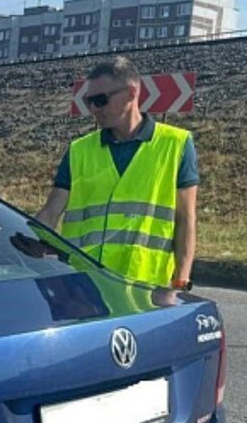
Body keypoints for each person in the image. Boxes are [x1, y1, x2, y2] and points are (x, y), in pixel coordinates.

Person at [36, 56, 198, 291]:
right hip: (84, 286)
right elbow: (50, 213)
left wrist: (181, 281)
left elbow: (186, 219)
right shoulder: (79, 150)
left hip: (145, 287)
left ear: (131, 93)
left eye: (100, 100)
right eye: (89, 101)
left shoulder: (177, 144)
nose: (93, 109)